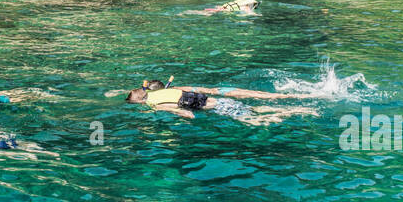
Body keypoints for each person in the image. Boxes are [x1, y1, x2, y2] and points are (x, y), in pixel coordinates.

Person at [125, 79, 318, 122]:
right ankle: (297, 108)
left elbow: (180, 111)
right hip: (217, 101)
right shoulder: (168, 90)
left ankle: (299, 111)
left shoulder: (153, 104)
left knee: (255, 121)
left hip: (220, 109)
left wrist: (185, 116)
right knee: (255, 109)